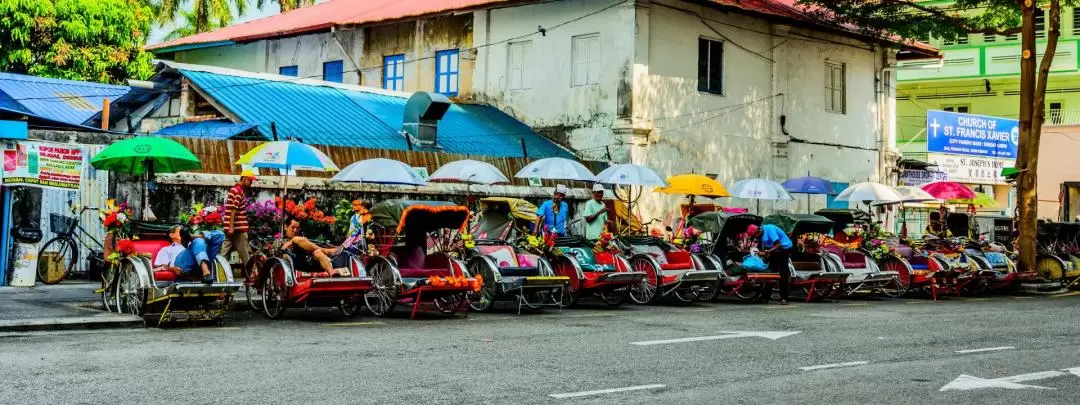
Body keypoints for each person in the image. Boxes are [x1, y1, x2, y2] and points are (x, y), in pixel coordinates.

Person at [748, 223, 793, 305]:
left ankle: (784, 298)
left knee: (783, 273)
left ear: (758, 230)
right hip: (774, 249)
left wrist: (767, 252)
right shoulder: (760, 234)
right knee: (770, 273)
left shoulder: (770, 229)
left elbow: (778, 244)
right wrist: (765, 253)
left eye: (756, 235)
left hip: (784, 248)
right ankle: (765, 297)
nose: (756, 237)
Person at [222, 170, 255, 267]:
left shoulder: (234, 189)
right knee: (246, 256)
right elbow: (234, 209)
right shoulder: (238, 191)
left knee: (224, 254)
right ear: (244, 179)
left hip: (230, 228)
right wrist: (232, 227)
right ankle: (252, 276)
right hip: (238, 229)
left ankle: (219, 274)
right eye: (250, 180)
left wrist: (230, 227)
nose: (251, 183)